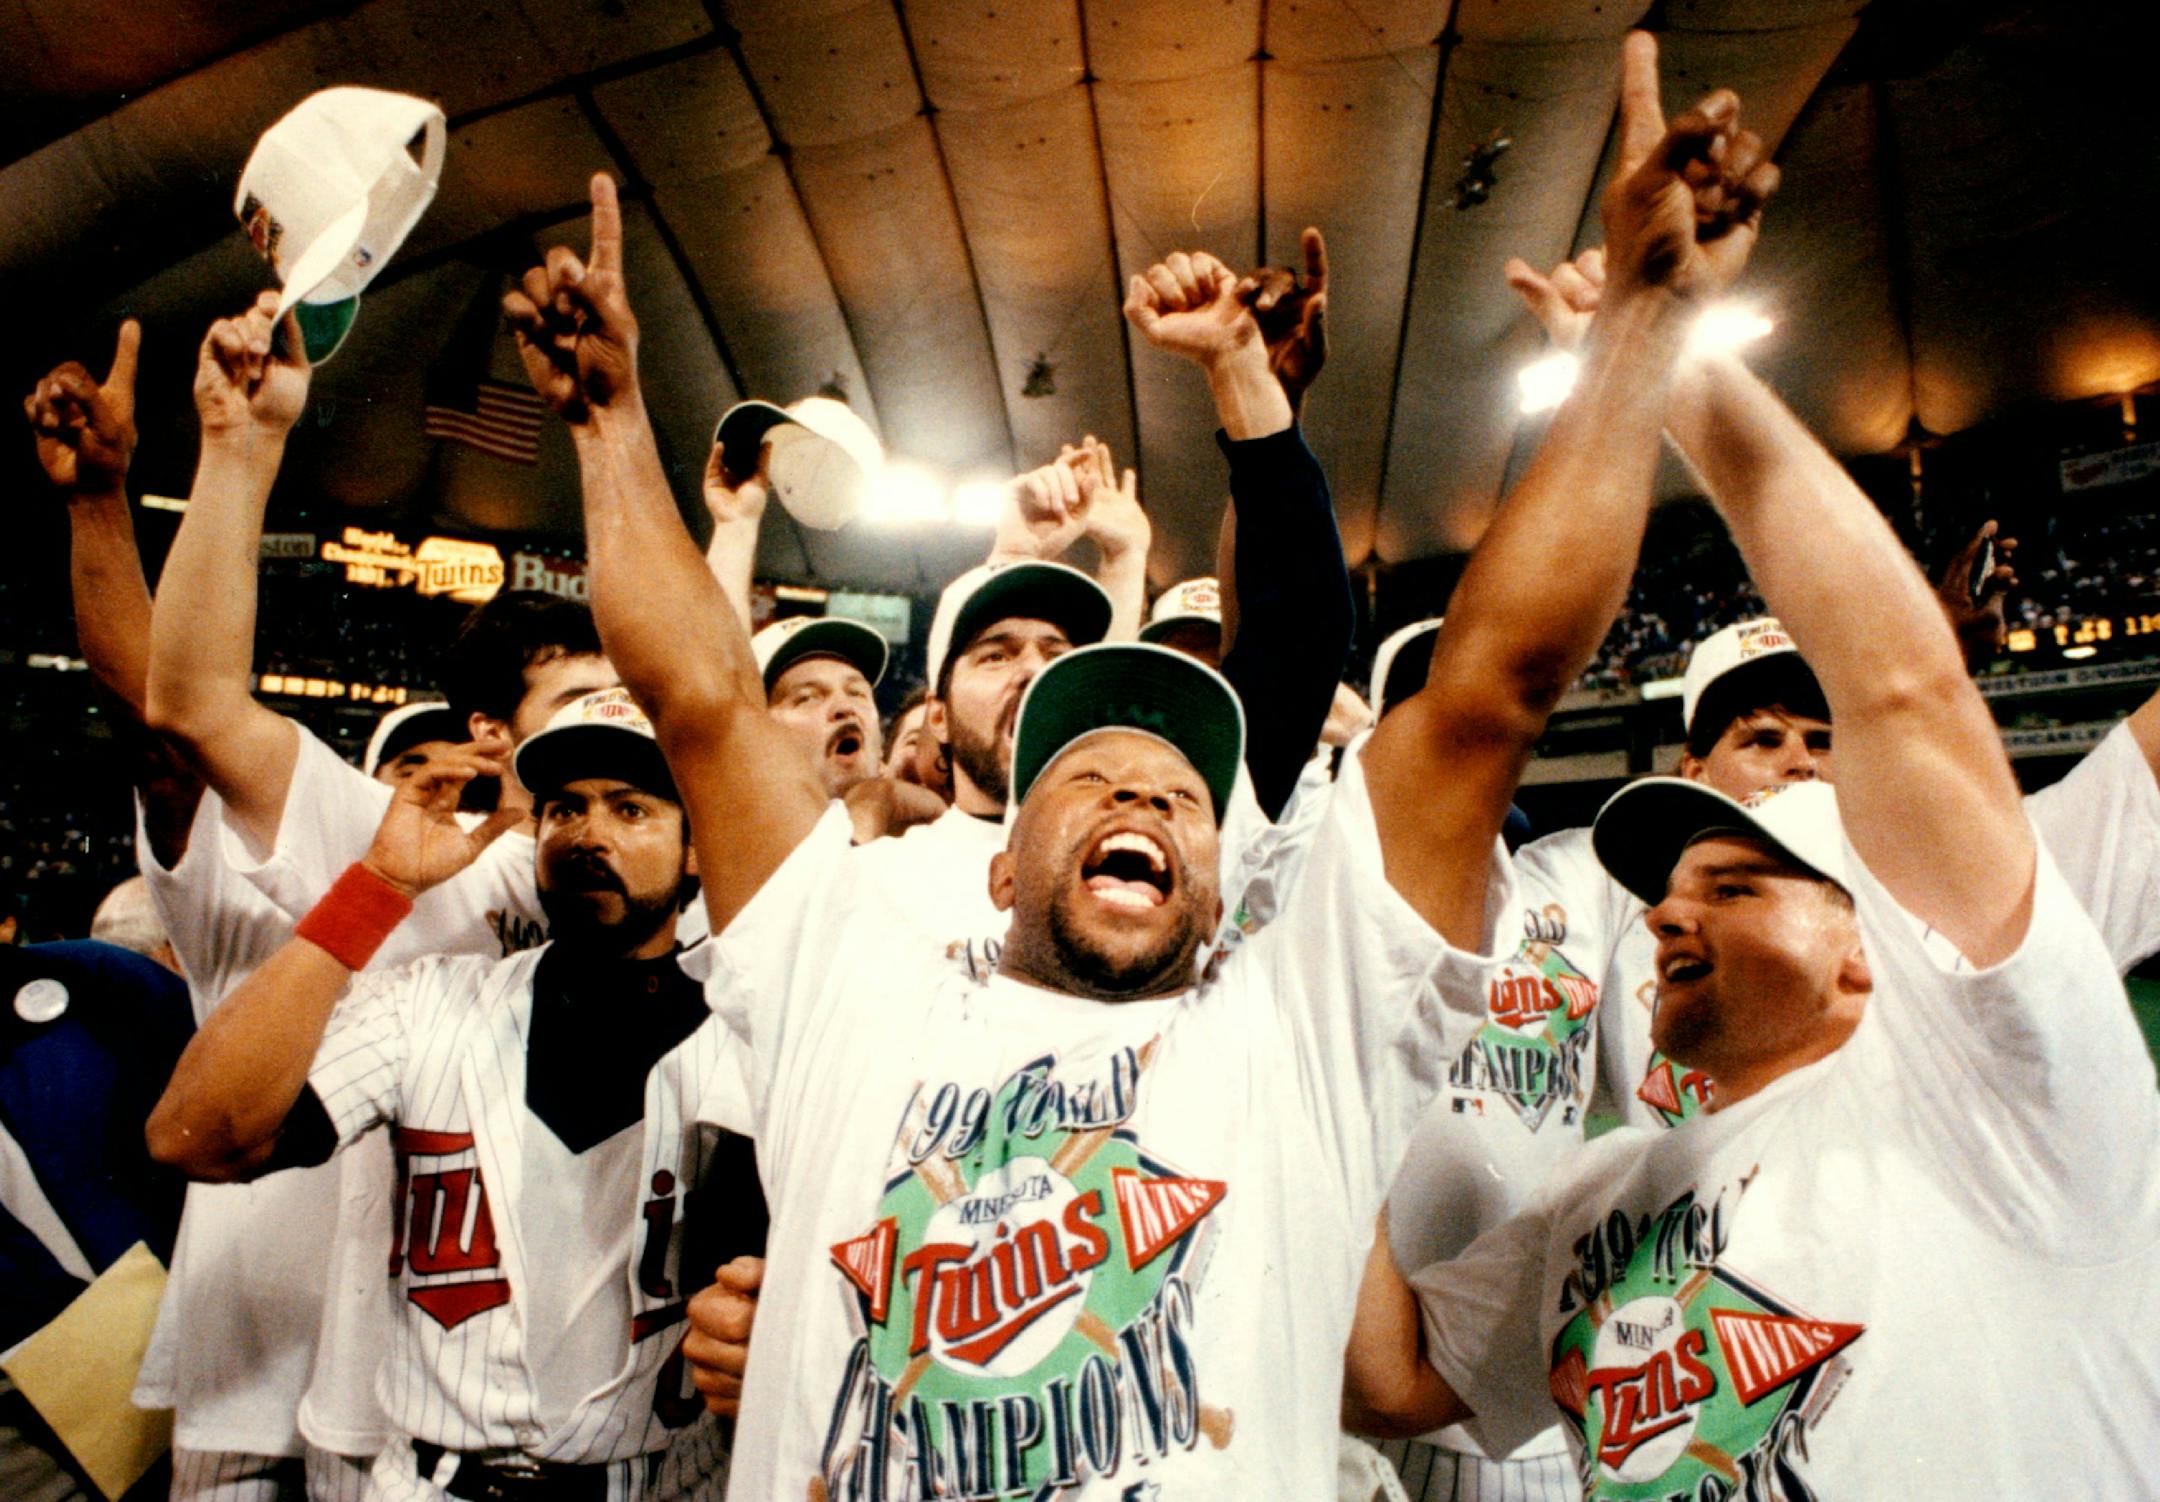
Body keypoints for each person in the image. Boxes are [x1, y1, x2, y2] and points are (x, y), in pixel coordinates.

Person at [499, 35, 1772, 1480]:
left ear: (1230, 874)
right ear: (994, 860)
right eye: (1092, 776)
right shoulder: (858, 970)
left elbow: (1491, 686)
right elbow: (706, 704)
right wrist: (607, 428)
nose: (1145, 800)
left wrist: (1641, 335)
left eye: (1181, 790)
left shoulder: (1301, 1026)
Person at [1341, 296, 2160, 1487]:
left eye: (1733, 883)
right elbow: (1395, 1378)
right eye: (1673, 889)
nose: (1671, 912)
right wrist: (1338, 1072)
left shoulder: (1993, 1093)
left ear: (1867, 942)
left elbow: (1908, 699)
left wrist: (1678, 371)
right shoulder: (1604, 1192)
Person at [1505, 246, 2160, 1128]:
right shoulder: (1617, 895)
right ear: (1691, 770)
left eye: (1823, 739)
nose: (1799, 764)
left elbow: (2134, 780)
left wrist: (1933, 681)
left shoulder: (1982, 885)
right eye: (1762, 738)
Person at [147, 689, 745, 1502]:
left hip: (667, 1484)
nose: (588, 834)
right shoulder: (428, 1000)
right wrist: (378, 886)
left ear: (695, 850)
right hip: (432, 1483)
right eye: (564, 809)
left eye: (631, 809)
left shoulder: (751, 1033)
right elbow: (197, 1137)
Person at [749, 615, 889, 798]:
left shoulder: (929, 822)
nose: (845, 707)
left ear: (881, 750)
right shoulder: (726, 826)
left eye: (856, 693)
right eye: (807, 698)